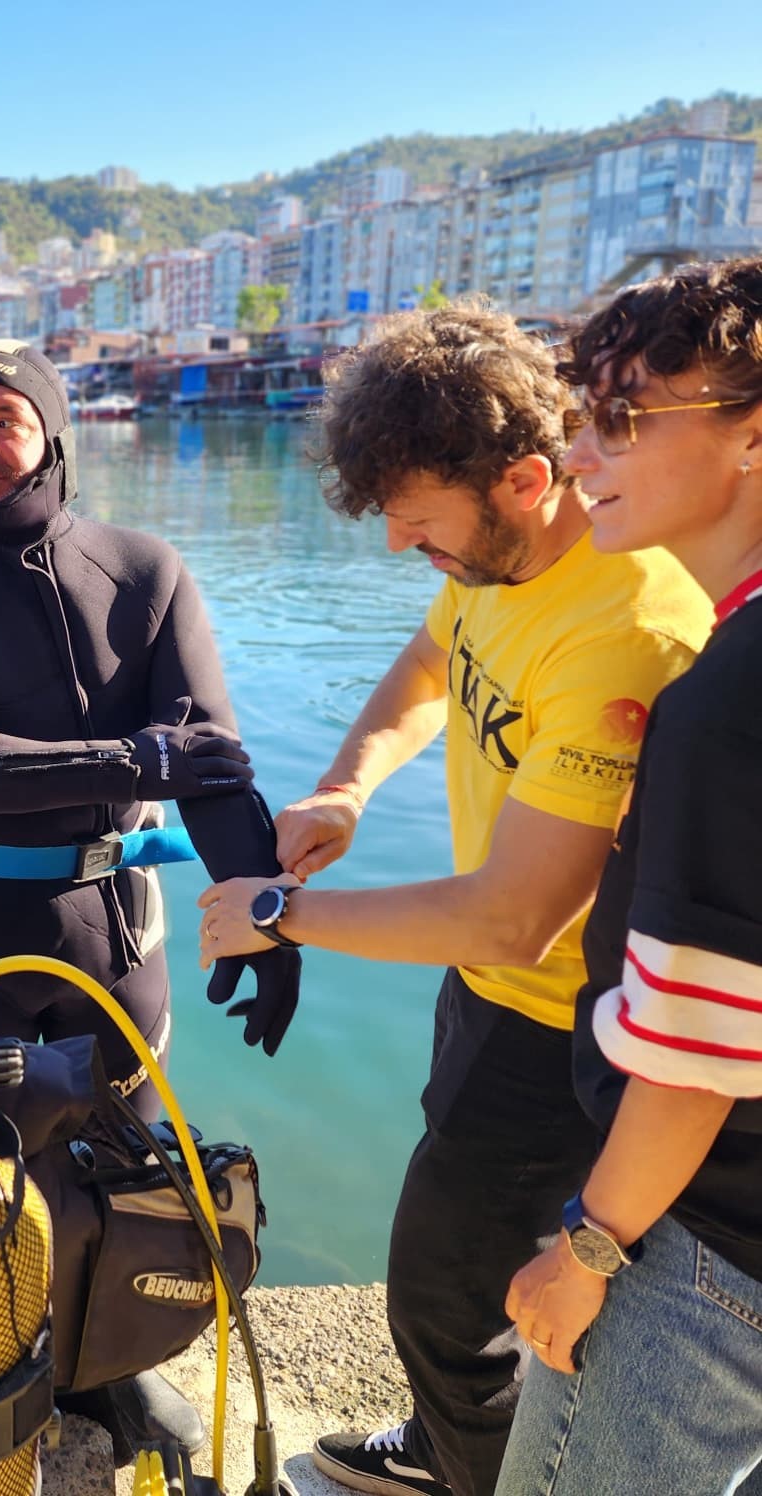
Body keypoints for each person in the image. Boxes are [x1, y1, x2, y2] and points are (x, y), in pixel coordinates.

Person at [196, 305, 711, 1496]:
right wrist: (343, 786)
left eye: (414, 522)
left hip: (557, 1012)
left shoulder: (622, 626)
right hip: (482, 990)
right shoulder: (495, 557)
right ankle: (450, 1437)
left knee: (435, 1287)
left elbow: (506, 918)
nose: (397, 547)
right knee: (472, 1248)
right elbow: (431, 663)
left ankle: (463, 1469)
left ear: (524, 479)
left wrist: (275, 915)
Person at [0, 339, 301, 1459]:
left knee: (128, 1154)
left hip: (116, 927)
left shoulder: (144, 571)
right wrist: (128, 758)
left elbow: (210, 760)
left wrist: (263, 913)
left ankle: (111, 1370)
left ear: (52, 430)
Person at [497, 259, 762, 1495]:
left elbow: (699, 1051)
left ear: (749, 433)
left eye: (618, 417)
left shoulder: (723, 702)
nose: (578, 453)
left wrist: (588, 1249)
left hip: (696, 1259)